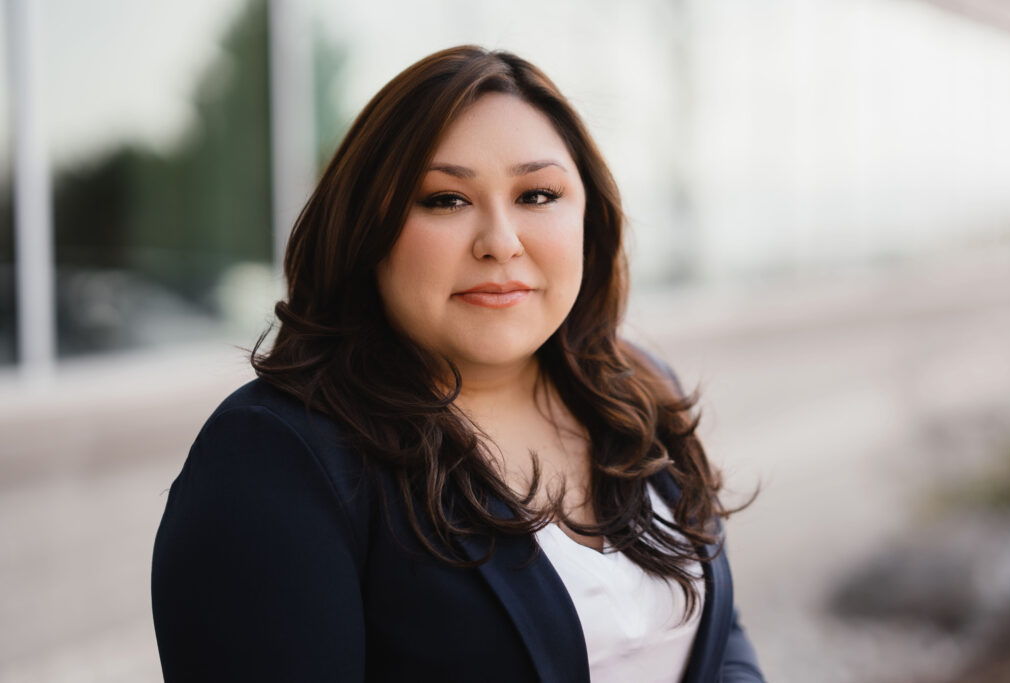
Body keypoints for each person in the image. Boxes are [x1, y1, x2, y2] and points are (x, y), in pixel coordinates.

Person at [151, 45, 764, 683]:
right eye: (445, 199)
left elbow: (720, 641)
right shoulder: (277, 457)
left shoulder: (632, 388)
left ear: (590, 219)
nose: (500, 241)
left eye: (538, 194)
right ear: (368, 230)